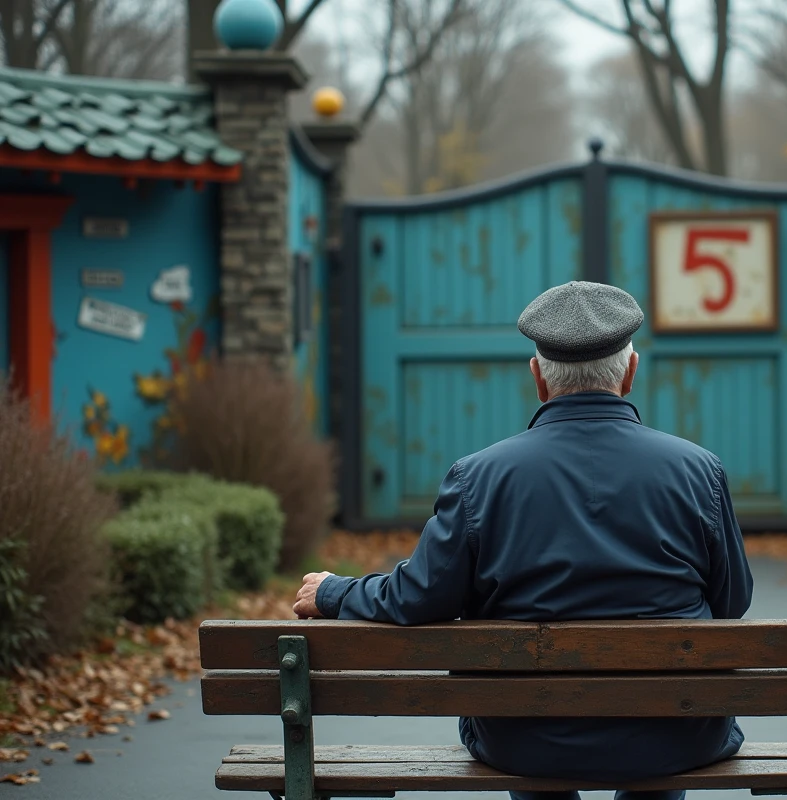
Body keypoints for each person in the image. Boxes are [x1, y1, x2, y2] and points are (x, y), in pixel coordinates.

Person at [293, 280, 754, 800]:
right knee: (659, 734)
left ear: (538, 378)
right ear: (629, 373)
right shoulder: (698, 471)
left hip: (527, 741)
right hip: (678, 735)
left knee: (527, 723)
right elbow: (732, 602)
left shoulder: (479, 477)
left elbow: (420, 596)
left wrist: (334, 592)